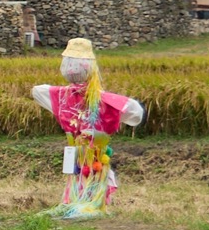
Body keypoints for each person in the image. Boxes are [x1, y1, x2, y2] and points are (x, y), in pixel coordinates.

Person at [29, 39, 144, 219]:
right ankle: (88, 202)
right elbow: (135, 112)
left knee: (79, 173)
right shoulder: (105, 100)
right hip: (94, 152)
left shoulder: (60, 96)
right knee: (90, 172)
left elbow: (37, 91)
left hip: (78, 150)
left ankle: (75, 201)